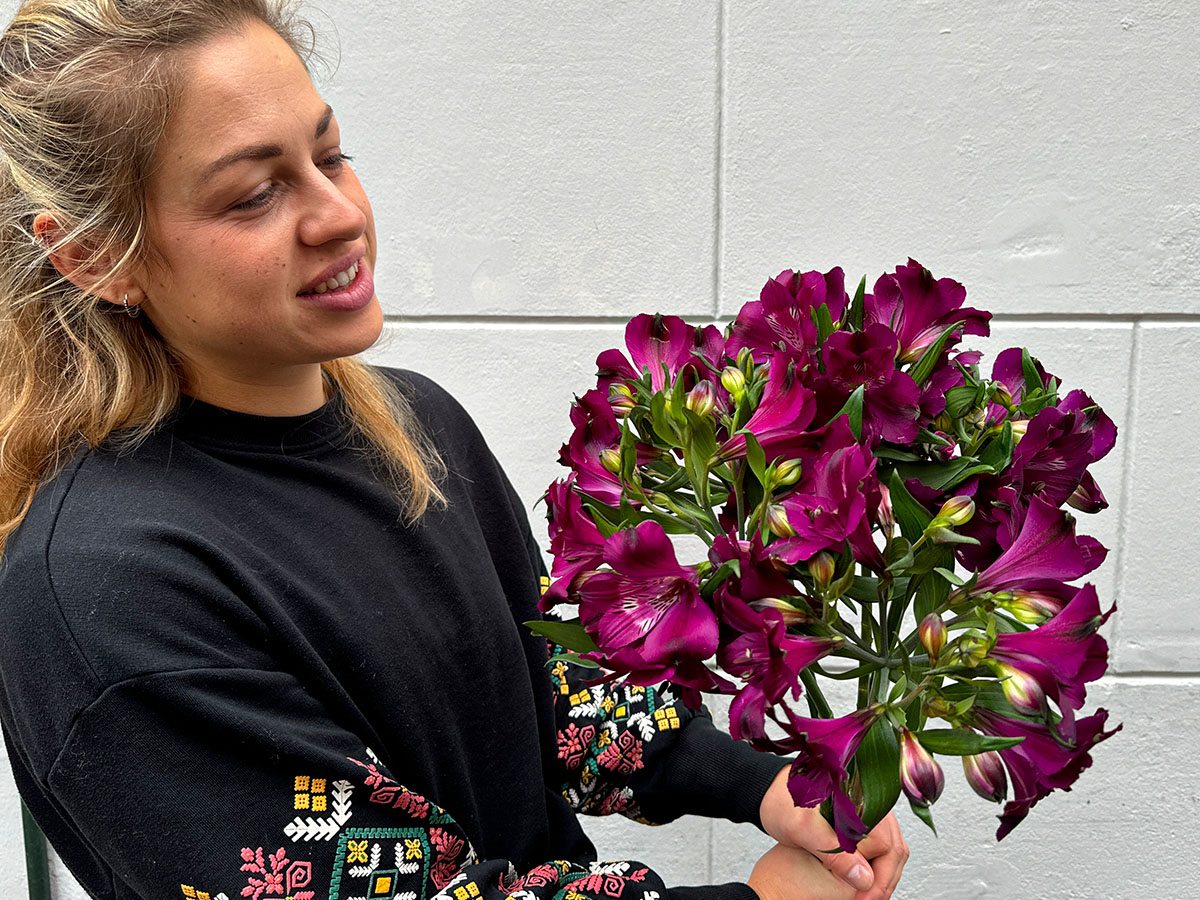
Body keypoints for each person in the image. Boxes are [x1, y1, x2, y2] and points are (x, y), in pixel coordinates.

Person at [0, 2, 908, 900]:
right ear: (92, 256)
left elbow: (544, 690)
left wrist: (766, 784)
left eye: (330, 155)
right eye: (254, 194)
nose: (337, 215)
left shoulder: (418, 427)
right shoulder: (103, 592)